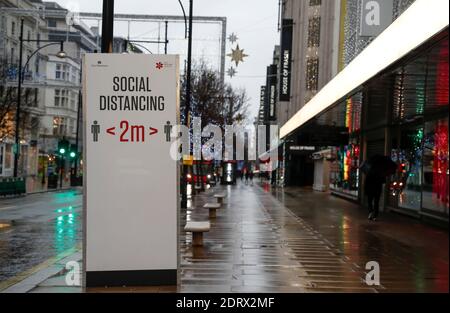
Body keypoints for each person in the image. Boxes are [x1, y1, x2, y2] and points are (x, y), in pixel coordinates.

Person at [363, 155, 396, 221]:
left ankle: (370, 212)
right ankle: (375, 215)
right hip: (377, 189)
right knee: (376, 202)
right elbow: (383, 181)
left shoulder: (369, 171)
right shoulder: (381, 171)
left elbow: (366, 182)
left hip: (370, 188)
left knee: (370, 201)